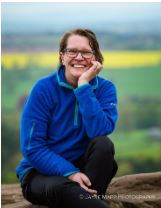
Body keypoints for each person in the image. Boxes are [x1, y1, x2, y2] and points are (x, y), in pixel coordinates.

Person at [16, 28, 118, 208]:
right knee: (64, 189)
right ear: (62, 56)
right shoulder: (43, 89)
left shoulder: (105, 88)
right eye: (72, 51)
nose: (79, 57)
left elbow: (99, 131)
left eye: (86, 52)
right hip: (40, 174)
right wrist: (70, 173)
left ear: (95, 58)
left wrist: (84, 87)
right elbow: (32, 147)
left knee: (104, 145)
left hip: (85, 170)